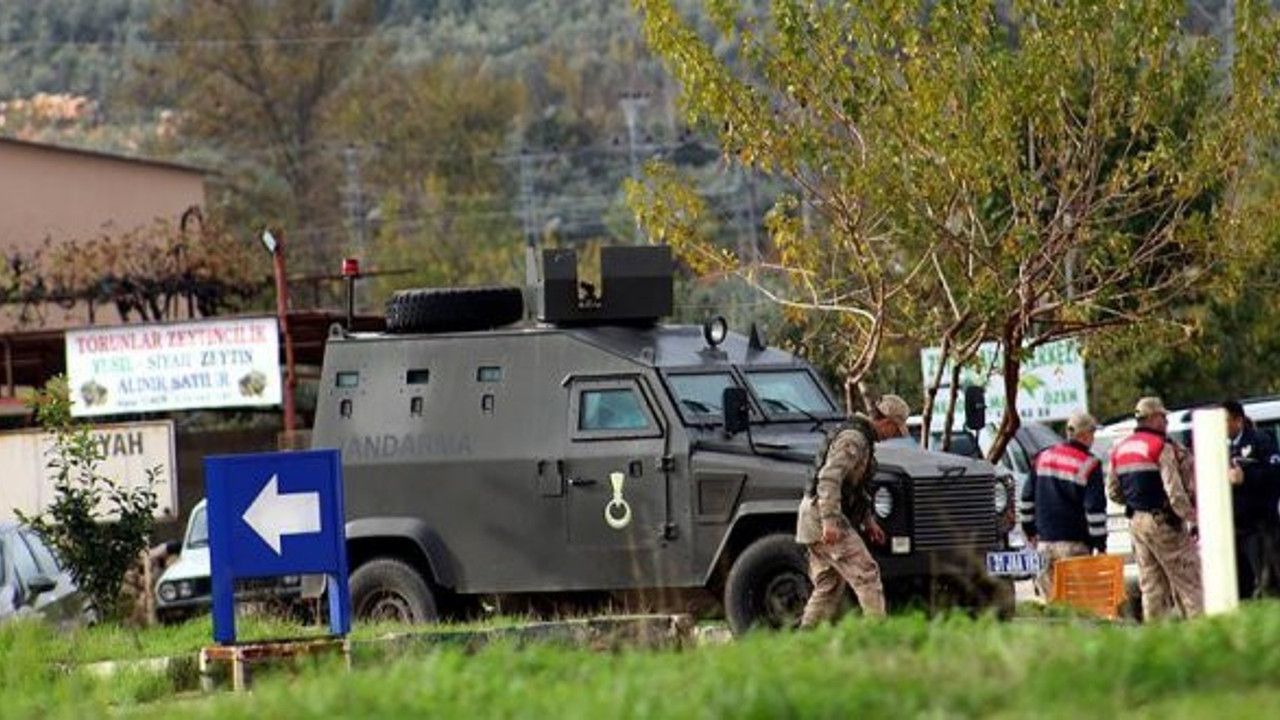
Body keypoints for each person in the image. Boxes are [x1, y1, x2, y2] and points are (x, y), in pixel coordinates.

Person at [1106, 396, 1203, 620]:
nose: (1166, 422)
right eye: (1163, 417)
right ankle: (1202, 633)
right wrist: (1193, 518)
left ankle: (1155, 639)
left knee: (1151, 586)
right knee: (1189, 581)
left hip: (1137, 524)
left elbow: (1113, 491)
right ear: (1152, 418)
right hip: (1163, 522)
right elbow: (1175, 493)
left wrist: (1136, 503)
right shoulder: (1160, 446)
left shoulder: (1119, 449)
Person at [795, 416, 887, 626]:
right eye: (896, 429)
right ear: (886, 422)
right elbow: (829, 478)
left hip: (813, 515)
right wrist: (829, 520)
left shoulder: (863, 440)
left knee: (829, 584)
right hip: (823, 515)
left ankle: (805, 639)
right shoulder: (854, 438)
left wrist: (868, 520)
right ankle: (880, 634)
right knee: (866, 573)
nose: (895, 436)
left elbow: (856, 488)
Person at [1019, 410, 1107, 599]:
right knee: (1079, 605)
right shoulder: (1090, 464)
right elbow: (1094, 511)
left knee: (1054, 607)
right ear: (1084, 435)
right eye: (1092, 433)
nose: (1093, 438)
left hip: (1044, 546)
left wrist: (1030, 531)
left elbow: (1026, 500)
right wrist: (1100, 545)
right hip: (1075, 547)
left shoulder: (1043, 457)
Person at [1223, 400, 1280, 599]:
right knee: (1237, 589)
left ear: (1238, 420)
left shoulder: (1260, 441)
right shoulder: (1216, 446)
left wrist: (1246, 477)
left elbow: (1274, 476)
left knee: (1269, 582)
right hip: (1230, 528)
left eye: (1225, 420)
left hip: (1258, 526)